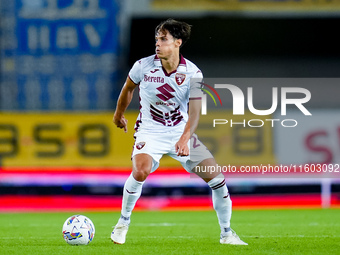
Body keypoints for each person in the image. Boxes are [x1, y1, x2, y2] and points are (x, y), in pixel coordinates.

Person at [111, 18, 247, 245]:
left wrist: (185, 138)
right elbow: (128, 89)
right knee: (141, 171)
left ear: (178, 43)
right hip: (150, 130)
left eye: (163, 39)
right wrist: (118, 115)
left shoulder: (193, 73)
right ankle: (123, 222)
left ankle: (227, 233)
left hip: (179, 131)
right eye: (156, 39)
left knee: (218, 180)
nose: (157, 44)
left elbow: (195, 112)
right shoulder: (143, 66)